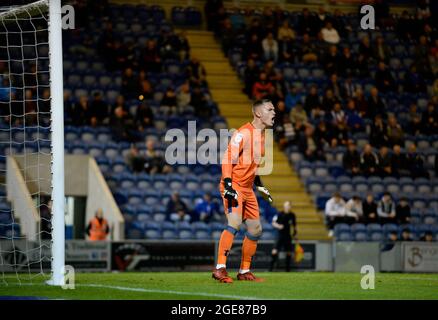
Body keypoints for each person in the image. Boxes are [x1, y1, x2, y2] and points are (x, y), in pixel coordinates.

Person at [212, 99, 275, 283]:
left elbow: (252, 166)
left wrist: (260, 185)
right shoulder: (243, 133)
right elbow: (227, 159)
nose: (274, 113)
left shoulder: (263, 137)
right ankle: (220, 268)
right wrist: (229, 185)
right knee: (235, 222)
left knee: (255, 229)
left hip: (247, 188)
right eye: (270, 109)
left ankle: (244, 271)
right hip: (234, 185)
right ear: (258, 113)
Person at [269, 201, 297, 272]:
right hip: (280, 235)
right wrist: (278, 226)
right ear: (284, 206)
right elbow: (273, 222)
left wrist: (295, 234)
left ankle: (287, 270)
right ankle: (271, 269)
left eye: (289, 205)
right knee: (274, 251)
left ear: (290, 207)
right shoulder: (280, 214)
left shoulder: (292, 215)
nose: (288, 207)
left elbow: (294, 226)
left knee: (289, 252)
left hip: (288, 236)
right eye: (287, 205)